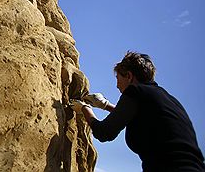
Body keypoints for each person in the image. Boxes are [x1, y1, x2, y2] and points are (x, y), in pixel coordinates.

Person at [71, 51, 205, 171]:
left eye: (118, 79)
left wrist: (84, 108)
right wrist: (105, 105)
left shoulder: (135, 91)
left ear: (129, 76)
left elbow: (104, 132)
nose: (117, 85)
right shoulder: (167, 98)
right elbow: (141, 116)